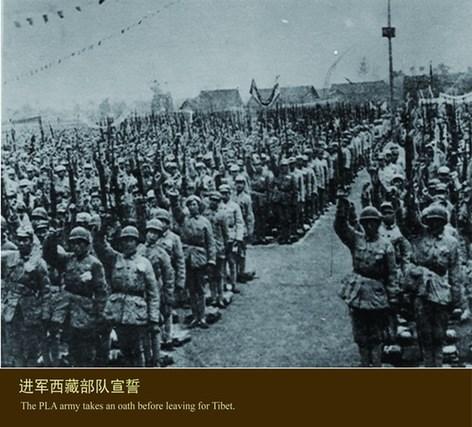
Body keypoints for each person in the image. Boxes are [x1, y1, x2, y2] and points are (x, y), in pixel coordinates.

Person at [335, 199, 399, 367]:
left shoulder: (386, 245)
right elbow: (341, 228)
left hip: (377, 293)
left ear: (378, 224)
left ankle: (376, 365)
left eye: (373, 223)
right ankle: (364, 364)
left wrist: (393, 297)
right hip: (358, 292)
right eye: (366, 223)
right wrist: (342, 210)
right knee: (360, 334)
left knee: (377, 335)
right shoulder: (357, 239)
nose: (369, 226)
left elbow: (392, 273)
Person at [94, 225, 161, 367]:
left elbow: (153, 292)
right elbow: (100, 247)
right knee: (124, 349)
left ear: (137, 242)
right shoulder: (115, 259)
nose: (127, 243)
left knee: (137, 349)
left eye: (131, 240)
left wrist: (154, 318)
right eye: (124, 240)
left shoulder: (144, 263)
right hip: (118, 310)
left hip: (137, 313)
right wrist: (101, 231)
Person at [43, 226, 108, 366]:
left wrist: (100, 315)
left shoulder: (94, 264)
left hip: (85, 307)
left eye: (80, 243)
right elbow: (50, 256)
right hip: (67, 305)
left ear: (87, 244)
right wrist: (51, 239)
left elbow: (101, 291)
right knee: (68, 339)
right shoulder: (68, 259)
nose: (77, 247)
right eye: (74, 243)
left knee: (84, 344)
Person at [406, 205, 462, 366]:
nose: (434, 225)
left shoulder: (451, 243)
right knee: (424, 334)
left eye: (438, 222)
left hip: (442, 292)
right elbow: (409, 219)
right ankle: (427, 365)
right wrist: (409, 198)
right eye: (431, 221)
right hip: (421, 290)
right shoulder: (419, 237)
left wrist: (456, 299)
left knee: (439, 334)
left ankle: (437, 366)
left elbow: (455, 271)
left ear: (444, 223)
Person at [2, 226, 51, 367]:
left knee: (31, 349)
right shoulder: (9, 258)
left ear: (31, 241)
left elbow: (46, 291)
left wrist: (45, 314)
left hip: (31, 311)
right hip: (12, 309)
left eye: (25, 240)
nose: (22, 243)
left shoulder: (39, 263)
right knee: (15, 348)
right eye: (20, 240)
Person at [178, 195, 216, 328]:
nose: (192, 207)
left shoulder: (205, 222)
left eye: (194, 204)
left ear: (199, 206)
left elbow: (211, 243)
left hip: (200, 257)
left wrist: (211, 260)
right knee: (191, 288)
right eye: (189, 205)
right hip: (187, 256)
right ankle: (195, 316)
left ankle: (202, 316)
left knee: (201, 288)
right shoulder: (183, 220)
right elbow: (175, 208)